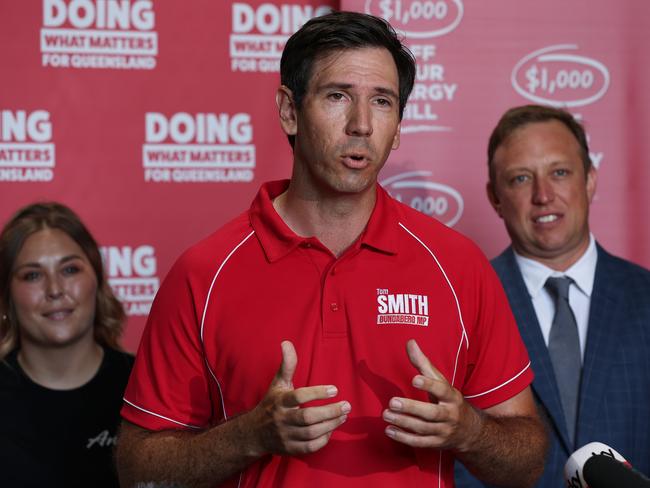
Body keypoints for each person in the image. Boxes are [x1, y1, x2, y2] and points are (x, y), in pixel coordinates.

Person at [116, 12, 547, 488]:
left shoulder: (457, 265)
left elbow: (526, 462)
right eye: (337, 96)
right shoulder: (204, 272)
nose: (361, 124)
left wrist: (470, 431)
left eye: (382, 102)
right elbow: (138, 467)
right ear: (289, 110)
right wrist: (247, 437)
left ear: (399, 126)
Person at [455, 104, 650, 487]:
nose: (543, 195)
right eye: (520, 179)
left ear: (590, 180)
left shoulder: (644, 298)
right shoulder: (461, 304)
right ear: (495, 197)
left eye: (559, 173)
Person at [0, 202, 134, 487]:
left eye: (70, 270)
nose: (55, 290)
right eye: (33, 275)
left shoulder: (144, 387)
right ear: (7, 296)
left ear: (97, 280)